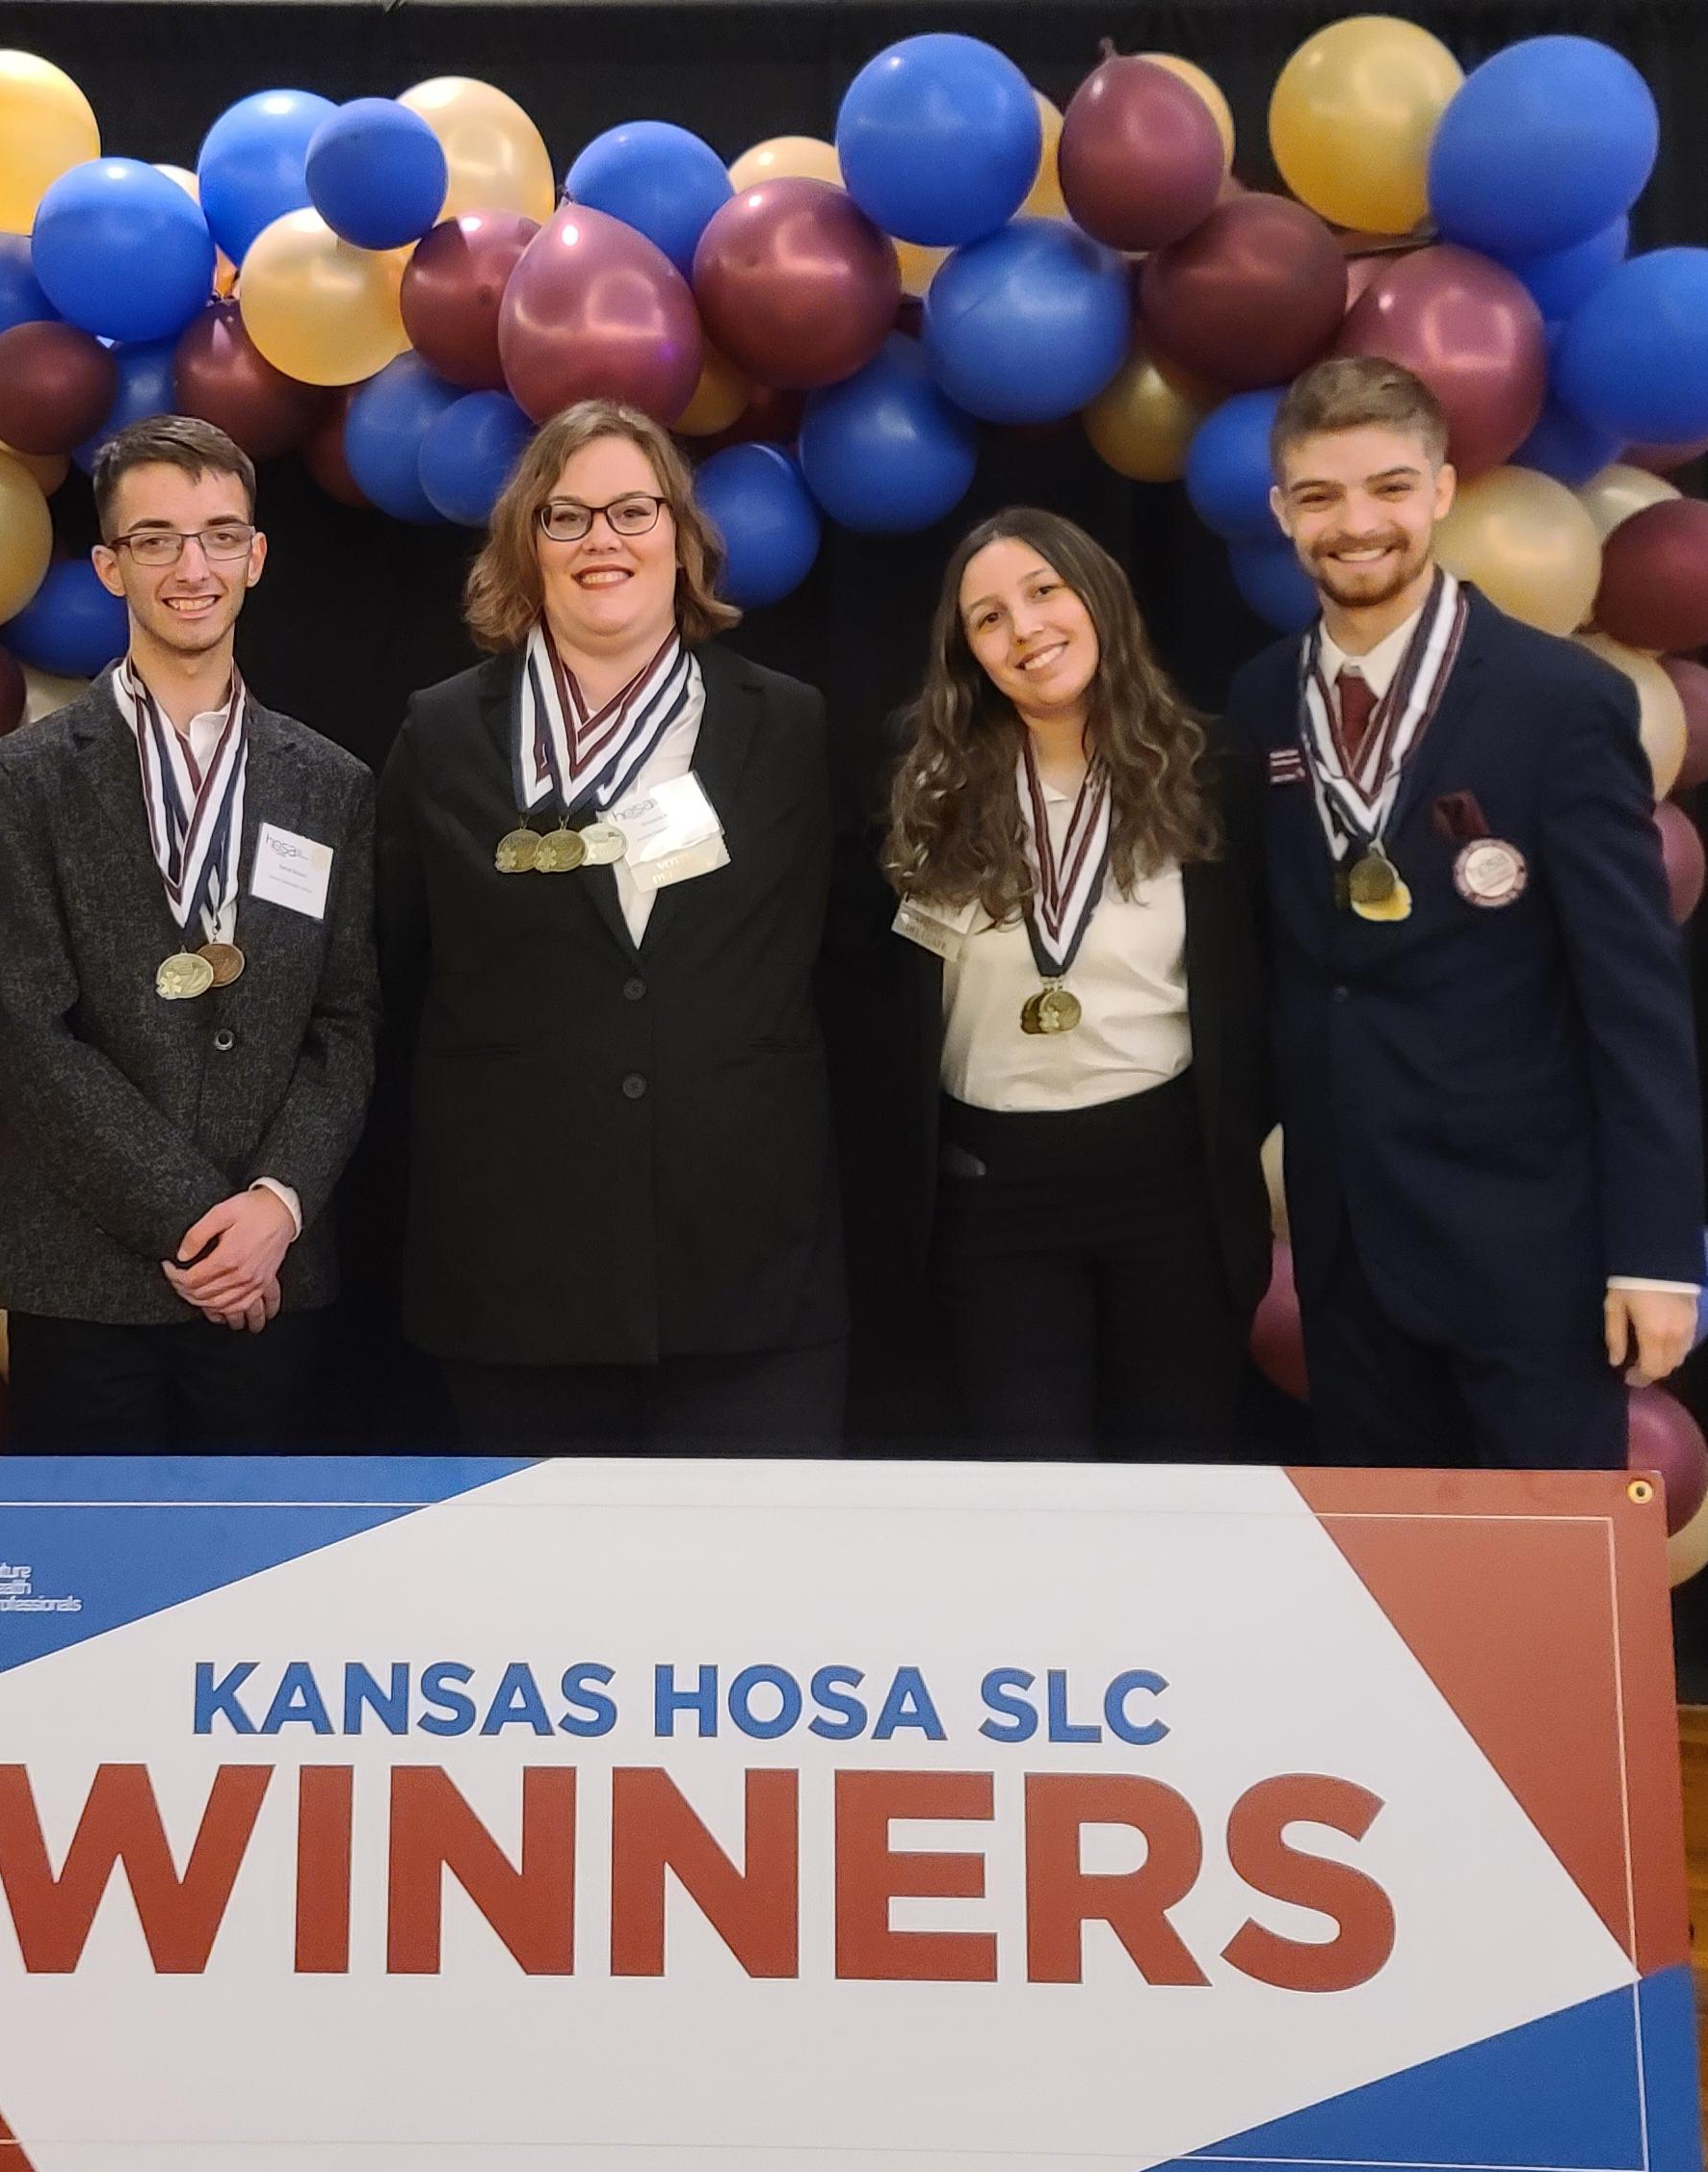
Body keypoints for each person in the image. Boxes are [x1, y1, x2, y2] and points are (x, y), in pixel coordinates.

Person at [1228, 354, 1701, 1467]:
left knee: (1541, 1604)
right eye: (1319, 496)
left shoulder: (1560, 700)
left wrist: (1653, 1254)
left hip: (1530, 1255)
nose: (1356, 524)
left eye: (1389, 488)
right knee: (1390, 1610)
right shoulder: (1258, 700)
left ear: (1441, 490)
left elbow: (1635, 999)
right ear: (1279, 511)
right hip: (1344, 1255)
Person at [379, 399, 847, 1455]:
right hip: (513, 1275)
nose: (603, 541)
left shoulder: (790, 725)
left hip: (749, 1269)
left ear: (682, 541)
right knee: (540, 1618)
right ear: (525, 546)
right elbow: (382, 972)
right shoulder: (442, 730)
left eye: (634, 511)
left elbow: (848, 962)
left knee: (739, 1607)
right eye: (567, 517)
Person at [0, 415, 377, 1454]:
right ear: (110, 566)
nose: (190, 566)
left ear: (257, 556)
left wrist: (274, 1209)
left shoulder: (330, 783)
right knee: (88, 1600)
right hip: (89, 1277)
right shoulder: (21, 778)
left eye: (219, 534)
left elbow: (346, 1024)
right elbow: (24, 1031)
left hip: (272, 1272)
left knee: (264, 1603)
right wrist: (199, 1222)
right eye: (155, 539)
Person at [883, 508, 1269, 1460]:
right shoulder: (920, 786)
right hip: (990, 1197)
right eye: (987, 618)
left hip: (1169, 1187)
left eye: (1042, 592)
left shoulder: (1209, 767)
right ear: (967, 652)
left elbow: (1265, 978)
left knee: (1179, 1485)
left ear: (1097, 597)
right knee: (1028, 1498)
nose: (1022, 631)